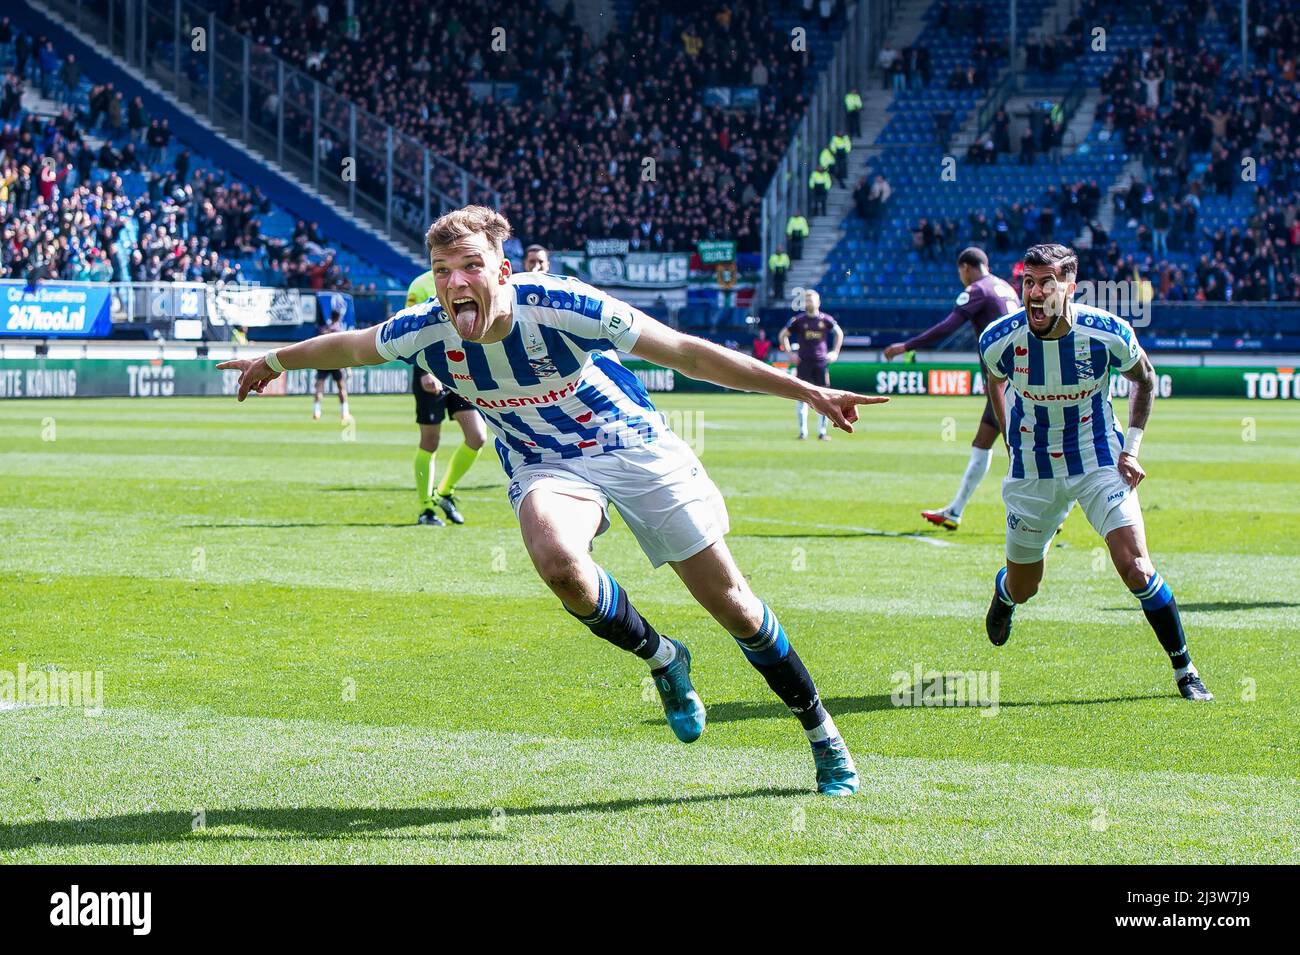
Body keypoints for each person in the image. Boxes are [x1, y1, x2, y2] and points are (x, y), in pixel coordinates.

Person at [219, 205, 889, 795]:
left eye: (470, 265)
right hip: (547, 464)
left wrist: (806, 391)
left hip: (634, 447)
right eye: (443, 268)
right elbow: (354, 345)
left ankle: (821, 730)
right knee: (556, 559)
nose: (455, 281)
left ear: (502, 270)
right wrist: (275, 361)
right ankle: (664, 657)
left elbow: (685, 351)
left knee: (735, 606)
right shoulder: (427, 329)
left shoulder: (564, 305)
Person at [978, 243, 1212, 702]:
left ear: (1070, 287)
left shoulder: (1107, 332)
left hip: (1099, 456)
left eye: (1047, 282)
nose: (1035, 292)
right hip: (1034, 467)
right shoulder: (999, 338)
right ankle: (1005, 595)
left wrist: (1132, 448)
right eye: (1029, 281)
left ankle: (1185, 668)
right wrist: (1009, 436)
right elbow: (994, 380)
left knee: (1137, 569)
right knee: (1027, 586)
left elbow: (1144, 378)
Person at [883, 247, 1019, 529]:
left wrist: (906, 346)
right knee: (983, 444)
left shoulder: (977, 290)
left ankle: (1048, 513)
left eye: (960, 272)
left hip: (1006, 384)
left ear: (966, 268)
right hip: (1009, 380)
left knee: (1019, 452)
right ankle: (955, 511)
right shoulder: (1005, 287)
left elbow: (947, 327)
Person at [405, 267, 487, 525]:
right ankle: (425, 508)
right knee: (430, 441)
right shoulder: (420, 285)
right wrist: (423, 370)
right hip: (431, 371)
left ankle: (444, 492)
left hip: (463, 372)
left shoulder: (469, 279)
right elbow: (411, 332)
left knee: (477, 436)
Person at [778, 289, 843, 440]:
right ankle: (803, 432)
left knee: (824, 397)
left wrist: (835, 352)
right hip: (804, 363)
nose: (809, 303)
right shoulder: (799, 321)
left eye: (811, 300)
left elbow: (839, 333)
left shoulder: (826, 319)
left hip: (821, 363)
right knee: (802, 396)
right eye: (806, 300)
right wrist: (789, 353)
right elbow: (783, 335)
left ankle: (822, 432)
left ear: (818, 302)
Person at [311, 302, 350, 422]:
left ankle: (316, 412)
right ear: (339, 318)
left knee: (319, 387)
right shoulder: (340, 331)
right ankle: (344, 412)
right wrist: (348, 367)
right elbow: (344, 350)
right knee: (341, 388)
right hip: (336, 362)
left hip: (323, 362)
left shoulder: (324, 330)